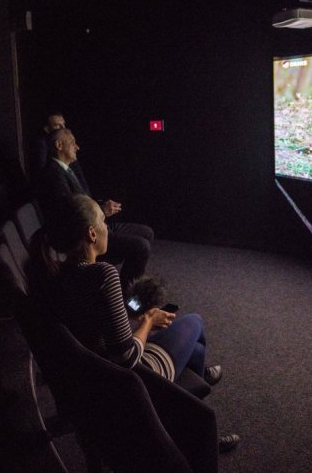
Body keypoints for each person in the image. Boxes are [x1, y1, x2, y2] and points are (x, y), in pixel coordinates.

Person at [27, 193, 239, 452]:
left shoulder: (54, 274)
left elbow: (93, 320)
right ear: (92, 234)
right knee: (195, 323)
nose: (108, 228)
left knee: (193, 352)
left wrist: (131, 317)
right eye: (104, 223)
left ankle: (187, 416)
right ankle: (194, 436)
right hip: (126, 382)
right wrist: (148, 320)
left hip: (92, 373)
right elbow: (126, 358)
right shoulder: (102, 274)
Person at [34, 127, 154, 289]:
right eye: (72, 143)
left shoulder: (66, 170)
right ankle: (127, 295)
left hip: (95, 225)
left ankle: (127, 285)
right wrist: (102, 211)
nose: (77, 147)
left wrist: (102, 206)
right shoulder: (53, 175)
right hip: (83, 237)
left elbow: (82, 200)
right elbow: (71, 214)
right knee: (141, 247)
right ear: (59, 145)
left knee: (147, 232)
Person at [28, 110, 89, 191]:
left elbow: (80, 177)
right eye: (58, 126)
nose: (63, 128)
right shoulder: (42, 145)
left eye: (64, 124)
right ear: (47, 129)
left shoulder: (69, 152)